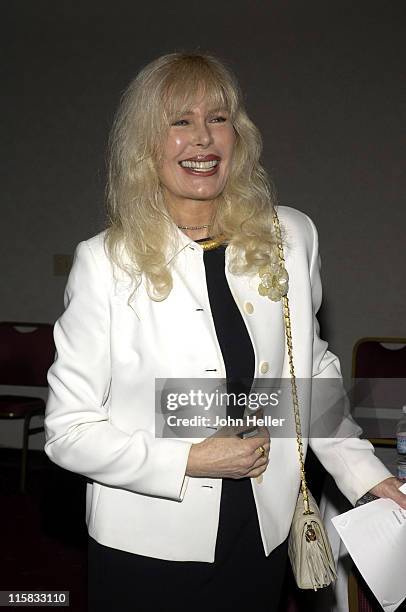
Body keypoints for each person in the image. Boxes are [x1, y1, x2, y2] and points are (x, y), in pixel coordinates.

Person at [44, 52, 406, 612]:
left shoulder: (291, 235)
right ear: (144, 145)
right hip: (147, 542)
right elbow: (68, 432)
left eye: (218, 118)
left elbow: (306, 375)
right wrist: (189, 459)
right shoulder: (105, 262)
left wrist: (366, 475)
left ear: (239, 135)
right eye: (179, 122)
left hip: (260, 527)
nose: (203, 139)